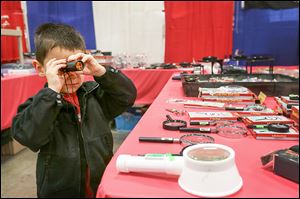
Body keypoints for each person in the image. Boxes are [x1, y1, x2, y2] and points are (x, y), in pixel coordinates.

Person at [11, 23, 137, 198]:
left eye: (75, 65)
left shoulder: (95, 95)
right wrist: (52, 92)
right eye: (62, 68)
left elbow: (127, 96)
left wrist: (101, 72)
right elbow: (28, 136)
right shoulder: (40, 105)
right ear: (41, 69)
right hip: (60, 190)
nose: (71, 74)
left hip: (99, 184)